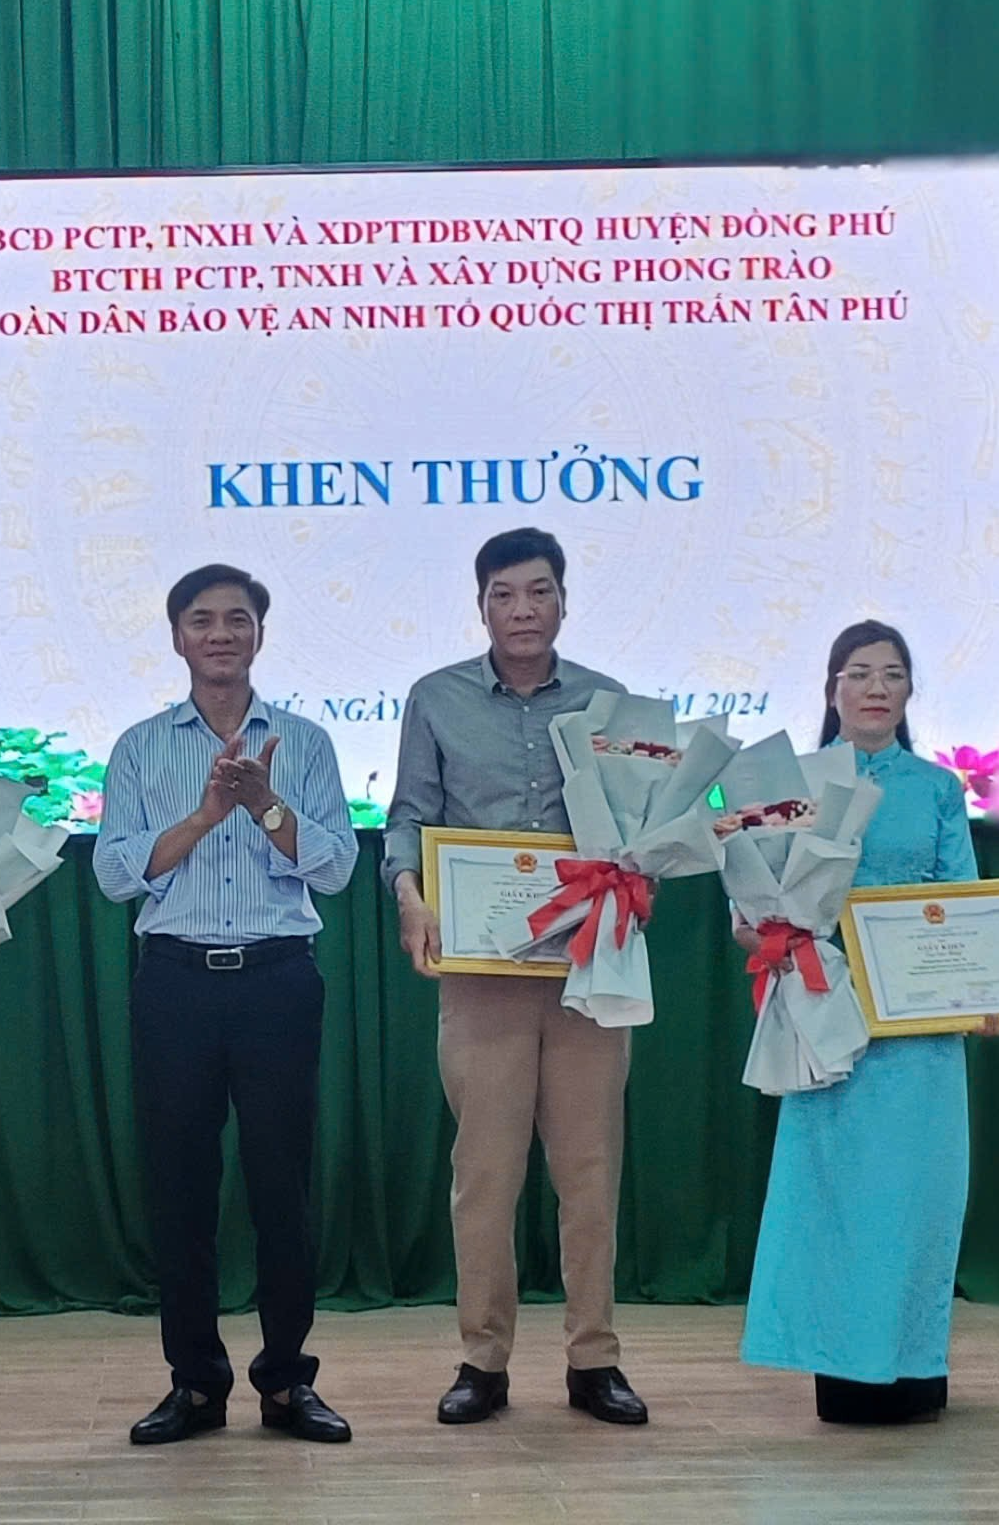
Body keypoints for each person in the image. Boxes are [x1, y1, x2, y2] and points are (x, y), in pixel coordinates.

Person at [382, 526, 650, 1427]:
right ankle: (482, 1360)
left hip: (589, 966)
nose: (523, 610)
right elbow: (409, 817)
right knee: (486, 1176)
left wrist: (644, 864)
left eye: (539, 592)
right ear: (482, 606)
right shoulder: (436, 699)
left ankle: (593, 1359)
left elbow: (640, 824)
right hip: (482, 972)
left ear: (564, 601)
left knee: (590, 1171)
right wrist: (411, 895)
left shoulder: (611, 705)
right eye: (504, 595)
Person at [95, 564, 360, 1446]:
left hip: (278, 980)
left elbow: (336, 867)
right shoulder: (140, 747)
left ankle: (286, 1383)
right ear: (178, 637)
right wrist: (209, 814)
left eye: (237, 619)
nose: (220, 634)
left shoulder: (305, 742)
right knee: (180, 1189)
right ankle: (196, 1385)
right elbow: (113, 873)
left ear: (259, 635)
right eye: (202, 620)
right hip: (174, 982)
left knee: (283, 1187)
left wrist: (266, 804)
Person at [738, 620, 999, 1423]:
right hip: (826, 1016)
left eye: (892, 674)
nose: (876, 688)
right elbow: (750, 905)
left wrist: (986, 986)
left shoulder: (936, 790)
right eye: (858, 673)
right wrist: (766, 932)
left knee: (919, 1199)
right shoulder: (792, 784)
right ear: (832, 689)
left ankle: (917, 1365)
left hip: (919, 1033)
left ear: (911, 690)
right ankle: (843, 1368)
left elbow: (964, 902)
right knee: (838, 1201)